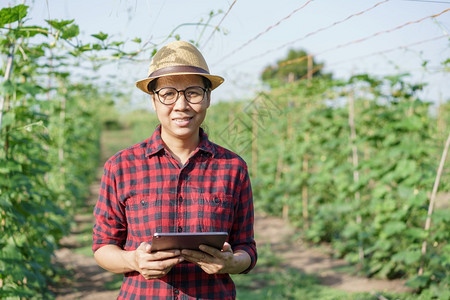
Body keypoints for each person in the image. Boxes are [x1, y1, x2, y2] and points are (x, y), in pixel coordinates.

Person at [92, 40, 257, 299]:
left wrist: (231, 262)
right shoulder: (121, 166)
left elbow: (246, 246)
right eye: (168, 93)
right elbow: (103, 246)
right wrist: (134, 260)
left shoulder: (232, 168)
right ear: (153, 100)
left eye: (193, 92)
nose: (181, 105)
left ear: (208, 97)